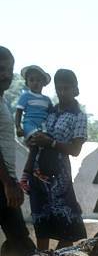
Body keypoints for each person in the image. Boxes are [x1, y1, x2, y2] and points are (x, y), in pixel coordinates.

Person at [27, 68, 87, 251]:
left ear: (75, 89)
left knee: (69, 224)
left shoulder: (79, 116)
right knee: (41, 221)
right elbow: (33, 137)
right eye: (59, 89)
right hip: (38, 173)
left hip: (59, 176)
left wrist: (51, 142)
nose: (62, 93)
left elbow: (76, 149)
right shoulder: (48, 111)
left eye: (66, 89)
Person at [0, 46, 36, 256]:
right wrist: (7, 182)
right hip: (2, 181)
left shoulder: (3, 101)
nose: (5, 74)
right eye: (1, 69)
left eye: (9, 70)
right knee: (20, 237)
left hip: (6, 181)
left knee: (20, 237)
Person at [15, 64, 53, 192]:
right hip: (29, 125)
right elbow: (19, 112)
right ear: (27, 82)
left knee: (40, 149)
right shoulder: (25, 96)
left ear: (43, 83)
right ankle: (28, 177)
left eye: (38, 80)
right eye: (32, 80)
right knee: (35, 149)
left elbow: (52, 113)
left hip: (42, 128)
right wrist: (18, 127)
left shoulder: (47, 100)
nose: (35, 82)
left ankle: (33, 173)